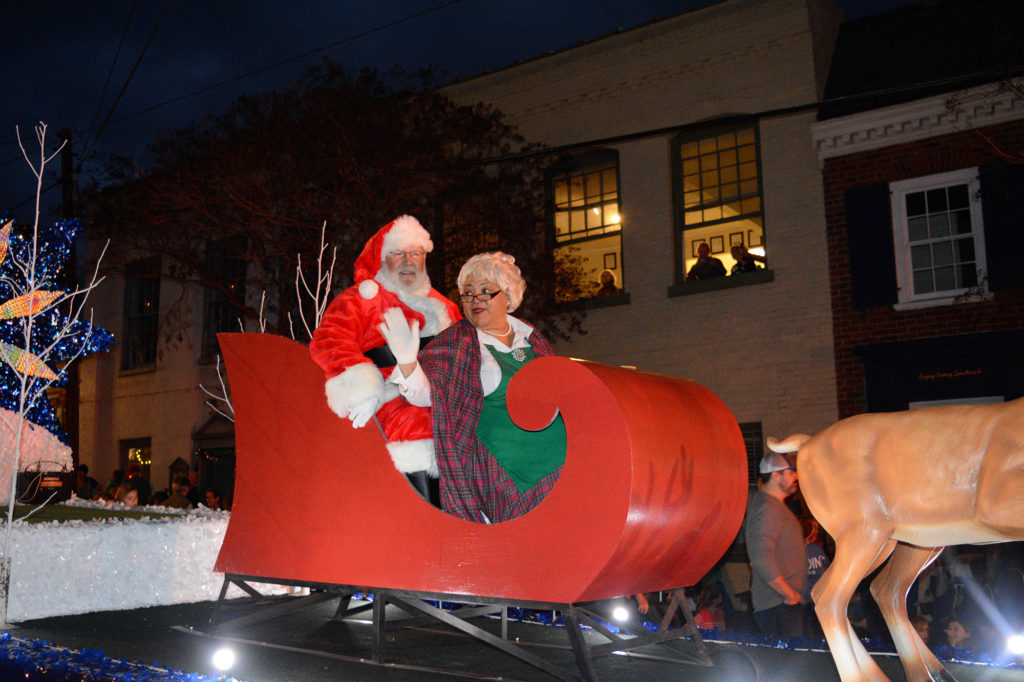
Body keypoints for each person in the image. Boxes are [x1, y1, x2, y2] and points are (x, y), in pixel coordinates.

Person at [381, 252, 566, 523]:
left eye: (484, 291)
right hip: (509, 475)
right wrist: (408, 363)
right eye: (467, 293)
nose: (474, 300)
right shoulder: (457, 344)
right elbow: (429, 394)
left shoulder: (534, 340)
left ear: (508, 295)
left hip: (562, 461)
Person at [310, 216, 462, 500]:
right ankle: (424, 517)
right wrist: (363, 388)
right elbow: (329, 339)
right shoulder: (360, 299)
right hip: (388, 396)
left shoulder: (445, 306)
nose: (408, 260)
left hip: (440, 395)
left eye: (415, 253)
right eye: (398, 253)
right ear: (382, 258)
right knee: (417, 421)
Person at [744, 451, 809, 639]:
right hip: (779, 605)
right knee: (787, 665)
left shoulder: (775, 507)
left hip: (785, 605)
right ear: (775, 475)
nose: (795, 476)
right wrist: (789, 595)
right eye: (790, 472)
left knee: (794, 664)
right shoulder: (766, 508)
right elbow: (760, 557)